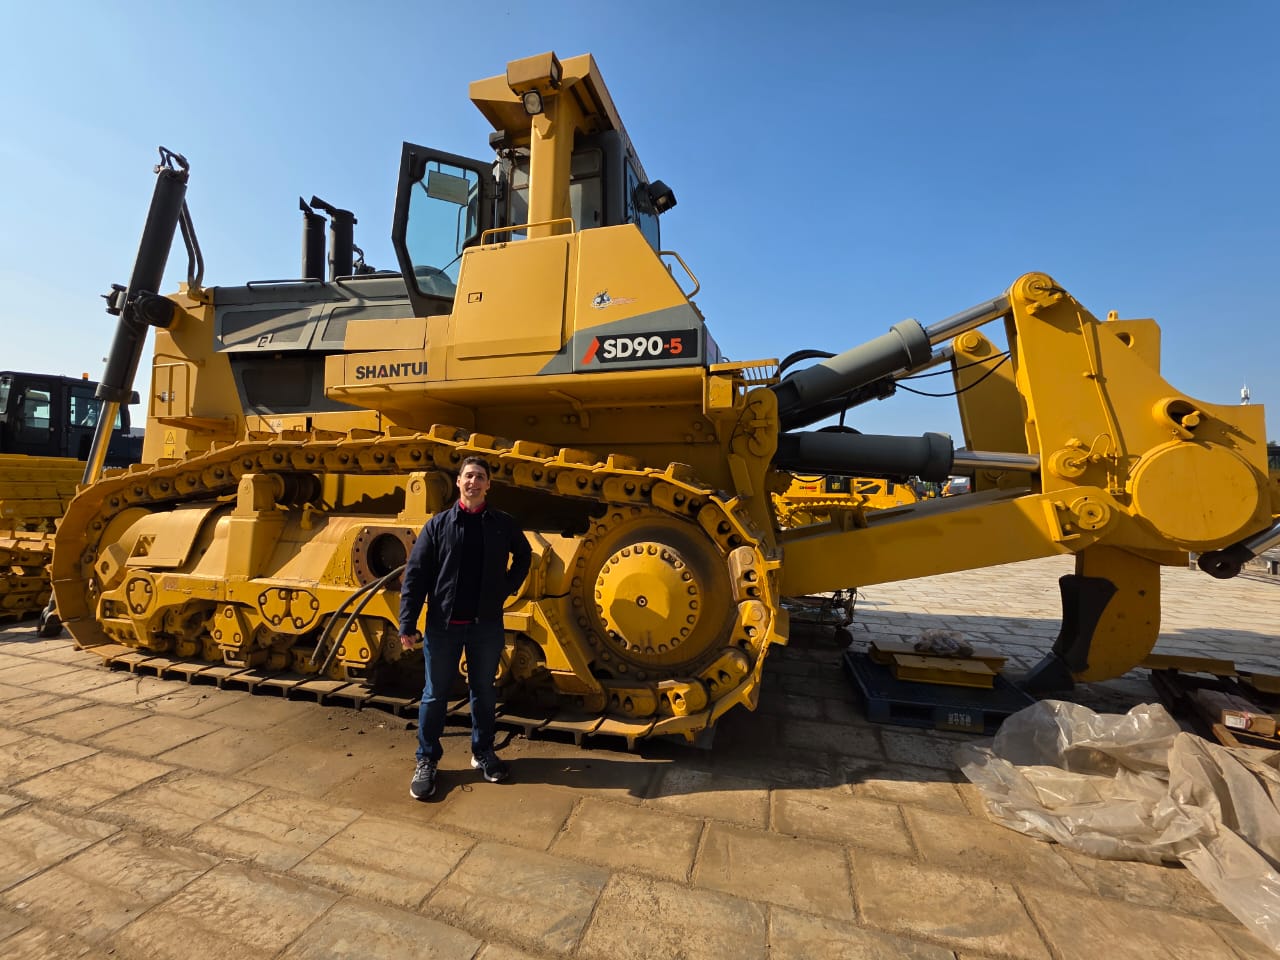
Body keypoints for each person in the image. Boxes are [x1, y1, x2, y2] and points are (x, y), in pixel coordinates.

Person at [399, 456, 532, 800]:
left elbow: (524, 555)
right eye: (468, 476)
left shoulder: (502, 524)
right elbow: (416, 576)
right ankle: (427, 759)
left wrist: (505, 588)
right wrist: (407, 623)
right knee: (434, 694)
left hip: (485, 626)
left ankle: (483, 751)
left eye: (480, 477)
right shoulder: (438, 526)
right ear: (458, 482)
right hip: (443, 626)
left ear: (488, 485)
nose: (474, 482)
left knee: (484, 691)